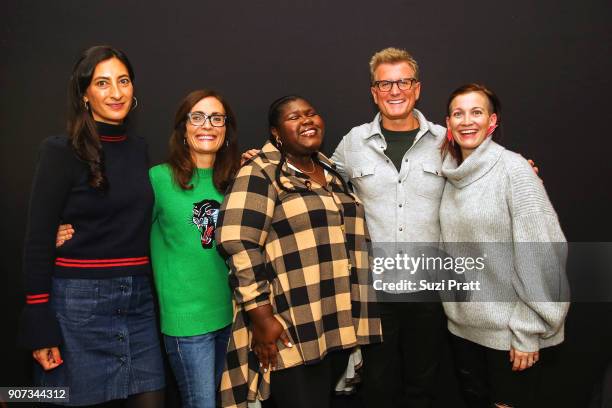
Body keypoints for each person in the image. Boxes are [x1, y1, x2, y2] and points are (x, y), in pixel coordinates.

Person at [18, 45, 165, 406]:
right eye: (102, 83)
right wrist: (38, 320)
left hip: (139, 304)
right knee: (55, 399)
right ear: (85, 94)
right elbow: (37, 239)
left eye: (124, 81)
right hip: (78, 306)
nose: (116, 93)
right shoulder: (60, 152)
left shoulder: (139, 149)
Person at [216, 95, 382, 408]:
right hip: (289, 326)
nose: (306, 120)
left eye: (311, 113)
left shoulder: (329, 170)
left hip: (334, 322)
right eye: (294, 117)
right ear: (276, 133)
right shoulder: (260, 173)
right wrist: (262, 319)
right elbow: (238, 243)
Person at [439, 83, 569, 407]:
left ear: (492, 122)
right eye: (458, 113)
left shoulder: (514, 170)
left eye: (476, 112)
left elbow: (543, 252)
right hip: (463, 331)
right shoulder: (451, 177)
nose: (467, 120)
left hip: (510, 336)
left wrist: (528, 330)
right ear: (448, 124)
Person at [331, 47, 447, 408]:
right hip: (375, 289)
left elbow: (485, 172)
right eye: (385, 83)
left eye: (403, 82)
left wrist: (521, 169)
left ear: (417, 88)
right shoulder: (354, 142)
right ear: (373, 91)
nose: (394, 91)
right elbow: (315, 177)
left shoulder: (447, 140)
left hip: (429, 287)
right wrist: (264, 161)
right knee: (379, 386)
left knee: (423, 386)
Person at [148, 89, 239, 408]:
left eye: (217, 118)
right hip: (187, 321)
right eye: (197, 117)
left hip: (232, 315)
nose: (207, 125)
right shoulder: (158, 179)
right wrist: (65, 229)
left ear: (226, 129)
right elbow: (120, 227)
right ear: (183, 128)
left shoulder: (238, 179)